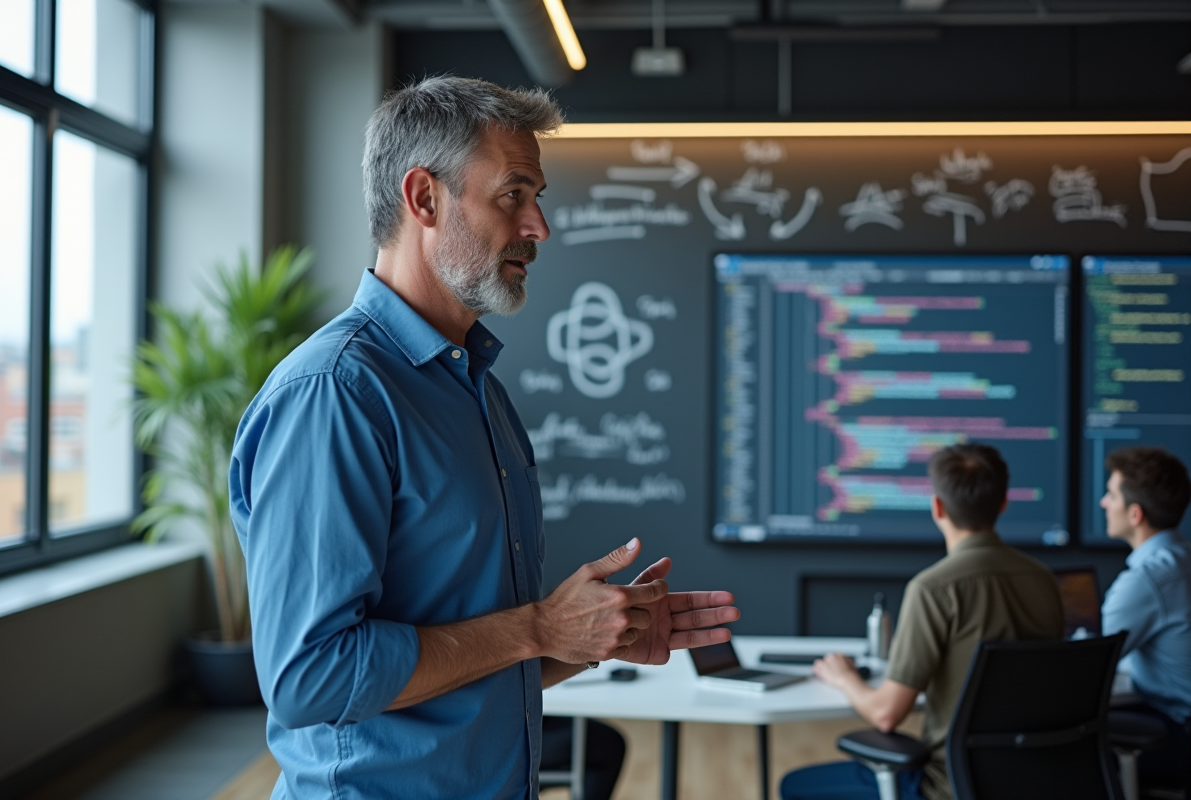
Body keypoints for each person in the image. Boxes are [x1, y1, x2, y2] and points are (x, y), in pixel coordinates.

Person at [228, 76, 739, 800]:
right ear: (424, 198)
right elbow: (310, 678)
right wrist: (541, 627)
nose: (539, 227)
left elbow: (474, 659)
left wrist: (589, 638)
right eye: (512, 195)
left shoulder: (477, 390)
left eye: (538, 197)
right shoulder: (335, 395)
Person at [780, 444, 1064, 800]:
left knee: (794, 786)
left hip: (950, 787)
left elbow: (886, 715)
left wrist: (845, 678)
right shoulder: (1044, 580)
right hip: (1036, 782)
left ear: (937, 507)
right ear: (1004, 503)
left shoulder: (933, 588)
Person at [1100, 446, 1191, 790]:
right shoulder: (1183, 559)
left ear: (1135, 514)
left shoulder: (1146, 579)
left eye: (1111, 495)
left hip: (1179, 735)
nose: (1104, 503)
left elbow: (1090, 665)